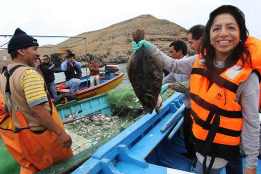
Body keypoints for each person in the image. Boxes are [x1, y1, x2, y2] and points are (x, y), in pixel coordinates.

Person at [158, 5, 260, 174]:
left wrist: (251, 164)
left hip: (228, 145)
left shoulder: (248, 78)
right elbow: (172, 65)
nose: (223, 33)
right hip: (202, 145)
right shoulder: (198, 61)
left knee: (234, 166)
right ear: (210, 36)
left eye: (231, 27)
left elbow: (252, 123)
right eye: (217, 28)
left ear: (241, 34)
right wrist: (147, 48)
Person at [0, 28, 72, 174]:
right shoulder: (28, 74)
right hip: (44, 137)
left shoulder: (4, 76)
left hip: (24, 138)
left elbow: (9, 108)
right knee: (65, 168)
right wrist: (60, 133)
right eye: (34, 49)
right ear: (21, 51)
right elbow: (38, 109)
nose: (37, 53)